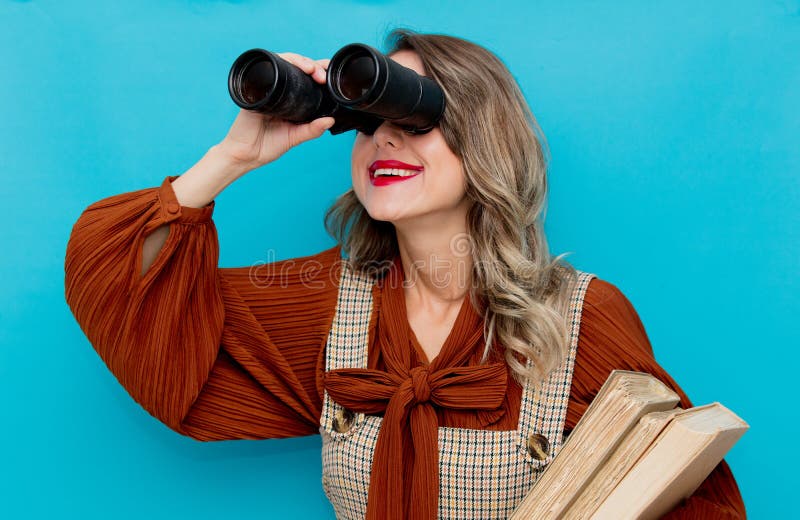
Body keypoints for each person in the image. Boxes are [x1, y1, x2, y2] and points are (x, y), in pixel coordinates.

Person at [64, 28, 745, 519]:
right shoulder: (329, 303)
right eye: (365, 121)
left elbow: (691, 497)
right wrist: (233, 155)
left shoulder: (580, 319)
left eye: (413, 117)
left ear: (485, 140)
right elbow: (127, 289)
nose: (383, 138)